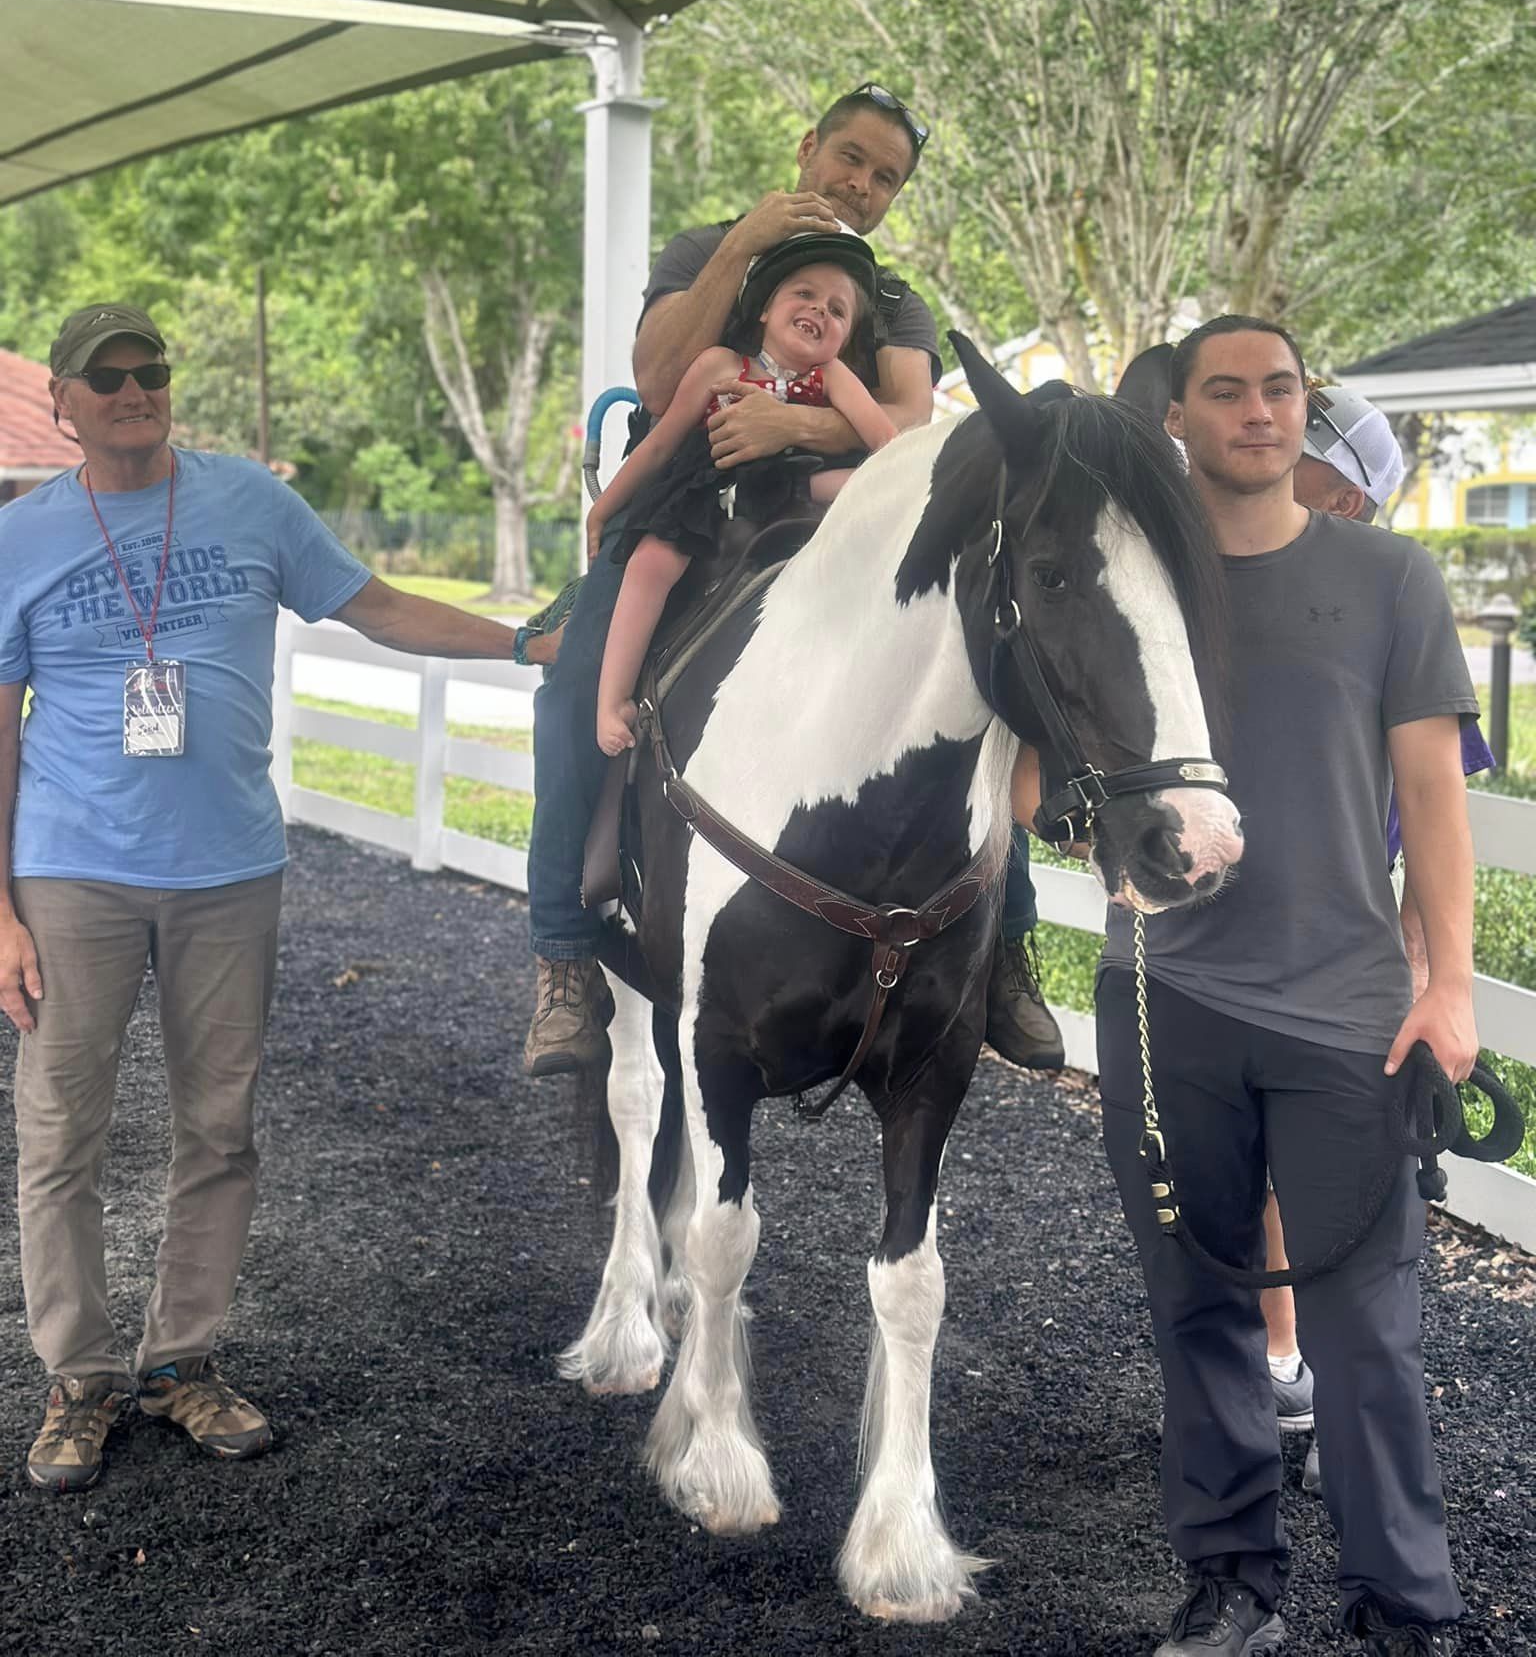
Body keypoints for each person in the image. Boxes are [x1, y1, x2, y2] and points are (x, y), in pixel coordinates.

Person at [0, 304, 534, 1494]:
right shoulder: (20, 536)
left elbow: (378, 605)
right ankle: (79, 1374)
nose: (136, 390)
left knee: (220, 1127)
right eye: (109, 377)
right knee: (59, 1132)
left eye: (152, 372)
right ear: (64, 401)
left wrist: (522, 643)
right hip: (72, 867)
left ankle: (180, 1357)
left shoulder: (249, 501)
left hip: (230, 868)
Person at [1019, 316, 1478, 1654]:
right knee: (1200, 1311)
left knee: (1368, 1331)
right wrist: (1073, 829)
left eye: (1281, 389)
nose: (1259, 411)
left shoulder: (1391, 577)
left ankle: (1407, 1606)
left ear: (1305, 410)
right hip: (1167, 1005)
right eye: (1227, 391)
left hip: (1347, 1011)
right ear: (1182, 419)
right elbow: (1040, 763)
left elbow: (1433, 803)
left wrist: (1448, 987)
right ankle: (1235, 1586)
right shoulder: (1128, 582)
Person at [521, 84, 1058, 1076]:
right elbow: (656, 380)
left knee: (969, 677)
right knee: (574, 683)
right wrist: (744, 245)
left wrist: (792, 424)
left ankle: (1007, 946)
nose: (861, 184)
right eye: (849, 157)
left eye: (885, 176)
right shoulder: (703, 251)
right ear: (808, 148)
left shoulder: (890, 300)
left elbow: (908, 418)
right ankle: (562, 953)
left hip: (831, 524)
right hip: (693, 512)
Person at [1263, 383, 1495, 1497]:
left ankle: (1327, 1390)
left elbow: (1427, 805)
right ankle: (1280, 1363)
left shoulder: (1390, 594)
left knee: (1350, 1188)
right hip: (1252, 946)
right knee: (1260, 1172)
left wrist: (1426, 969)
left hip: (1353, 956)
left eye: (1298, 457)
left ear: (1345, 493)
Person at [590, 233, 895, 754]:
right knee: (650, 563)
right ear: (765, 309)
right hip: (712, 487)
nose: (818, 310)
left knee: (870, 493)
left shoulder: (833, 376)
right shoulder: (719, 365)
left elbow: (886, 444)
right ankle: (610, 699)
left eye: (837, 310)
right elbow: (662, 444)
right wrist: (605, 506)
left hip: (792, 485)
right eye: (804, 295)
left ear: (843, 338)